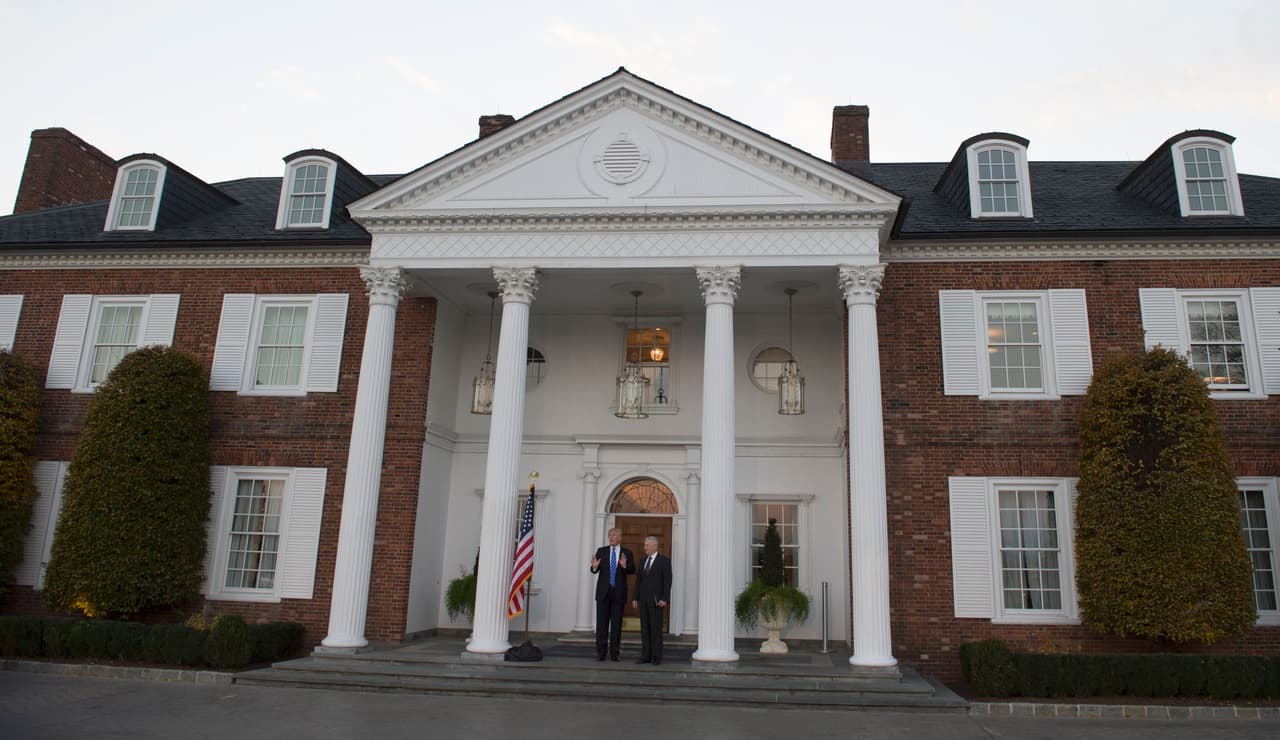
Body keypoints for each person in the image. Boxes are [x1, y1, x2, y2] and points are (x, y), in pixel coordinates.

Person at [589, 527, 634, 661]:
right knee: (601, 625)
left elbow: (632, 569)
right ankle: (601, 653)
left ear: (620, 538)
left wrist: (625, 566)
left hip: (618, 594)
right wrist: (595, 567)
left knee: (616, 625)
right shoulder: (601, 551)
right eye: (610, 535)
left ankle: (615, 653)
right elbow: (593, 569)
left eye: (614, 535)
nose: (612, 537)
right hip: (603, 594)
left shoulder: (627, 552)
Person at [632, 535, 672, 665]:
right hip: (643, 601)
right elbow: (638, 581)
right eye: (645, 545)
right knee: (645, 629)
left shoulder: (664, 561)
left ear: (655, 546)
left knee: (656, 630)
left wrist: (665, 599)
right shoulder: (643, 561)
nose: (645, 548)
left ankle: (656, 657)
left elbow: (667, 582)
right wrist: (635, 597)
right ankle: (645, 656)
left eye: (647, 545)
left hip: (657, 601)